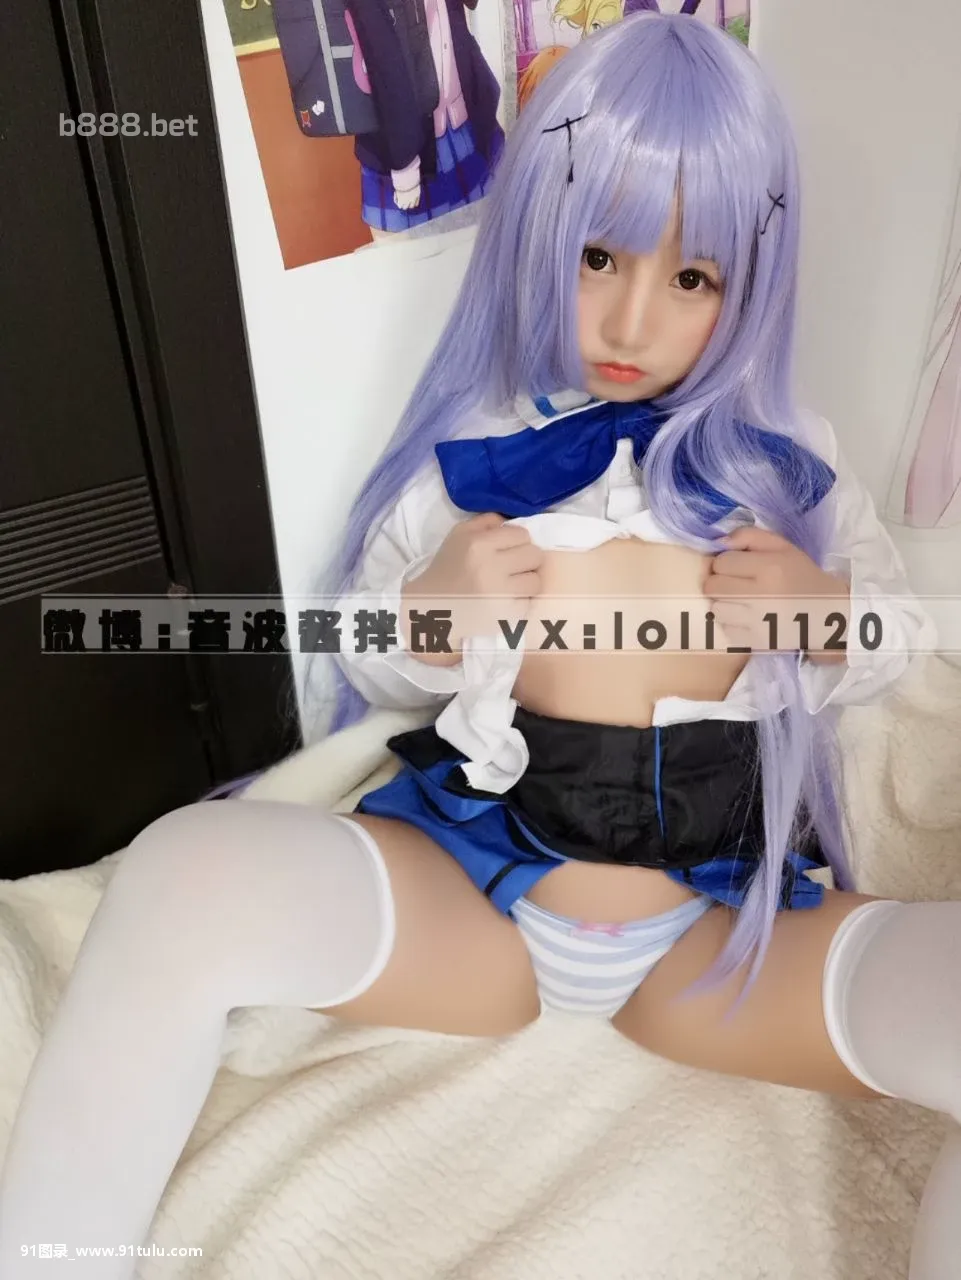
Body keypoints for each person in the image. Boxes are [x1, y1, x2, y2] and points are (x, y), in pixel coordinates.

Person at [0, 14, 954, 1279]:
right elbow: (373, 661)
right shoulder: (474, 452)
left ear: (752, 285)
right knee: (179, 869)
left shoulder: (795, 464)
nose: (630, 318)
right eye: (598, 254)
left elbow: (894, 641)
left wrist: (821, 610)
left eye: (692, 277)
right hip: (481, 896)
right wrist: (433, 609)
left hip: (717, 931)